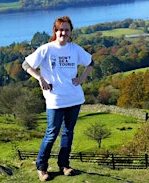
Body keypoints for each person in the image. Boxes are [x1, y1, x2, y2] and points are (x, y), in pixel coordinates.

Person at [22, 16, 93, 181]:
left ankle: (64, 165)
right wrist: (40, 78)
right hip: (55, 99)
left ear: (70, 32)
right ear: (55, 31)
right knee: (52, 133)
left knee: (68, 133)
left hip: (74, 99)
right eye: (61, 29)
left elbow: (91, 63)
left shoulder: (75, 49)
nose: (64, 33)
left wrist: (81, 79)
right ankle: (42, 167)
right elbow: (26, 65)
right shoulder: (46, 49)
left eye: (67, 30)